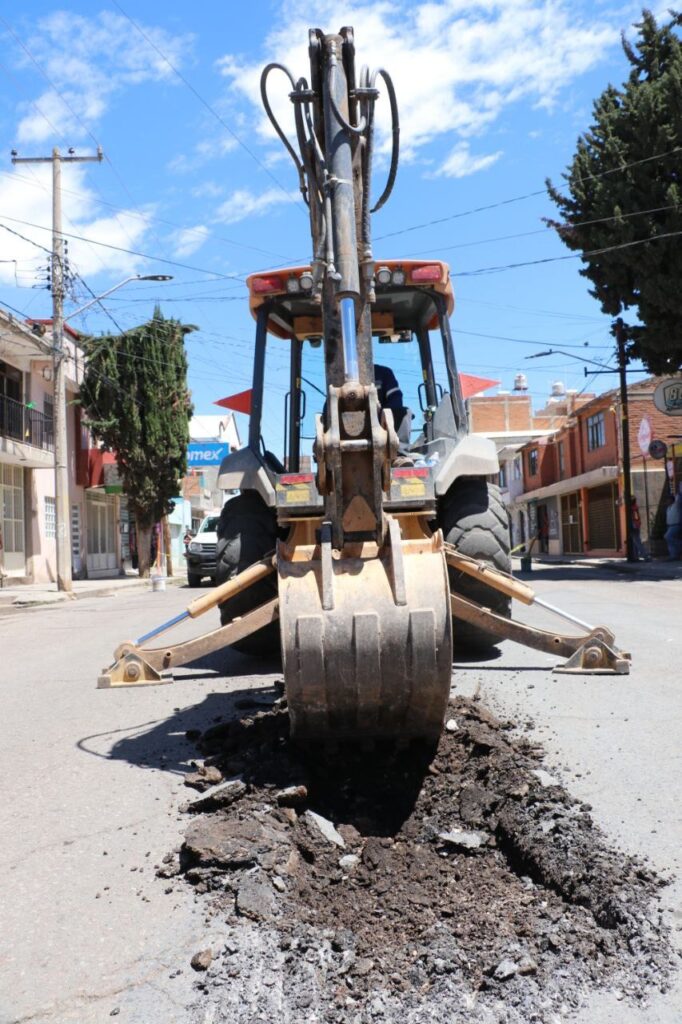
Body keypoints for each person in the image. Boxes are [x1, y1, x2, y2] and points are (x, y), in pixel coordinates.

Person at [664, 490, 682, 560]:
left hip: (676, 525)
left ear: (672, 500)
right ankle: (673, 555)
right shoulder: (668, 508)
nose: (667, 501)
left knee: (667, 537)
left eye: (668, 500)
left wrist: (678, 492)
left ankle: (680, 545)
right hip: (669, 526)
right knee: (670, 542)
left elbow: (678, 498)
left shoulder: (676, 506)